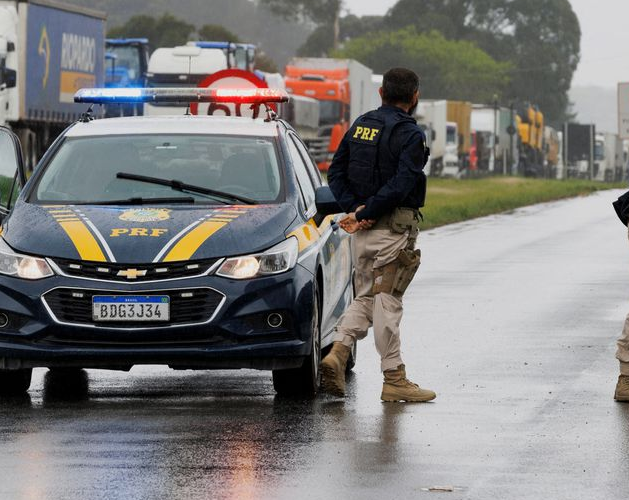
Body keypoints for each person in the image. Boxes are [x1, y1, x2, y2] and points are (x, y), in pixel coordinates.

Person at [320, 67, 436, 403]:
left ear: (381, 93)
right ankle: (394, 378)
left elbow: (336, 170)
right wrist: (368, 211)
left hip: (361, 232)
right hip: (392, 231)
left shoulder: (360, 126)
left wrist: (355, 209)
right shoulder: (412, 136)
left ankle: (338, 351)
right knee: (388, 301)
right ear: (414, 97)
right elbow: (402, 183)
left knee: (366, 298)